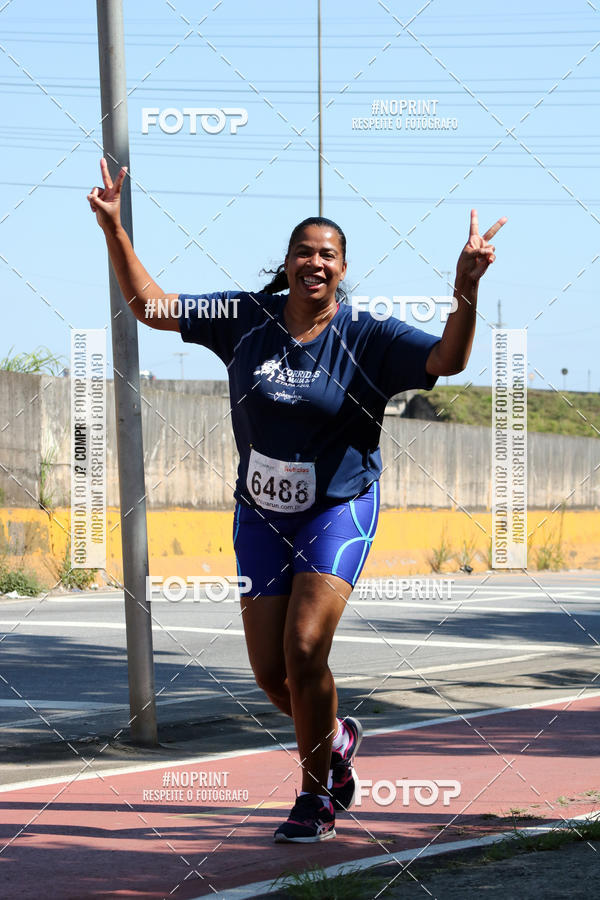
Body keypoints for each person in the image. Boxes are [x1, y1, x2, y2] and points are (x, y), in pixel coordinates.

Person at [88, 158, 506, 843]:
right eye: (304, 252)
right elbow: (151, 307)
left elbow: (447, 362)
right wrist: (114, 230)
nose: (316, 262)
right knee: (271, 673)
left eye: (329, 254)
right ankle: (336, 739)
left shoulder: (370, 336)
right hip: (259, 512)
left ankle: (315, 796)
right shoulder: (244, 319)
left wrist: (464, 291)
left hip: (337, 508)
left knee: (306, 649)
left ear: (343, 268)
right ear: (286, 264)